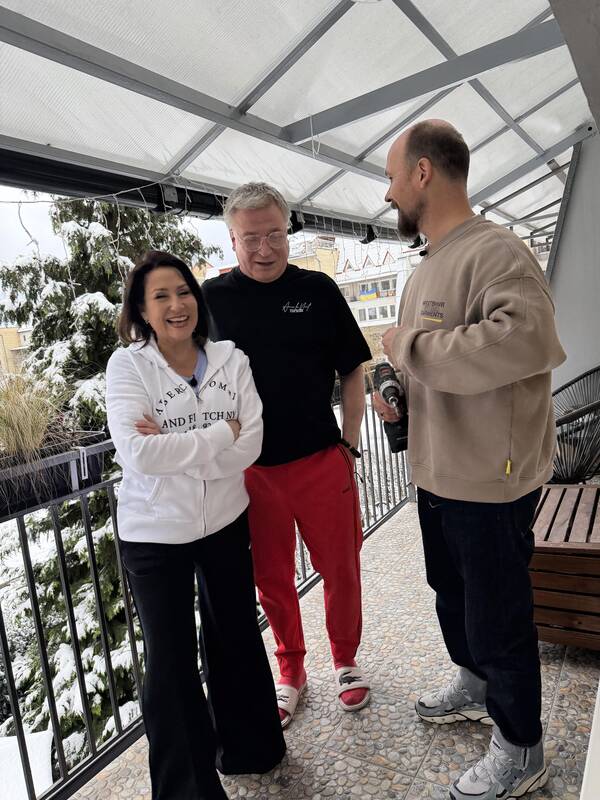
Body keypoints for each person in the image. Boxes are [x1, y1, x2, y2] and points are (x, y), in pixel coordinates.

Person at [375, 120, 566, 800]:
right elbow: (426, 361)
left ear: (423, 173)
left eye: (392, 175)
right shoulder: (426, 264)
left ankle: (522, 748)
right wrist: (398, 388)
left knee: (499, 618)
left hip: (490, 480)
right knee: (452, 594)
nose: (388, 191)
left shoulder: (497, 252)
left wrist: (408, 349)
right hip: (436, 473)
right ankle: (477, 684)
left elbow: (523, 341)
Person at [105, 250, 285, 800]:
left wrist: (182, 447)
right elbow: (138, 453)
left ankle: (252, 748)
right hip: (155, 532)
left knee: (235, 634)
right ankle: (189, 790)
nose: (176, 304)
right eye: (160, 296)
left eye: (183, 291)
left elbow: (253, 442)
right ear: (142, 310)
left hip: (225, 519)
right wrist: (219, 435)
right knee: (172, 659)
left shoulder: (231, 359)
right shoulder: (129, 367)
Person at [202, 183, 372, 727]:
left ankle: (345, 660)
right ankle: (291, 669)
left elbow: (353, 369)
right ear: (232, 239)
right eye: (251, 238)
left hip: (321, 459)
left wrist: (350, 441)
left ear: (287, 231)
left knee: (341, 567)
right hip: (251, 472)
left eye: (275, 234)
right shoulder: (211, 299)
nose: (265, 248)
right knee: (271, 578)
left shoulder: (317, 290)